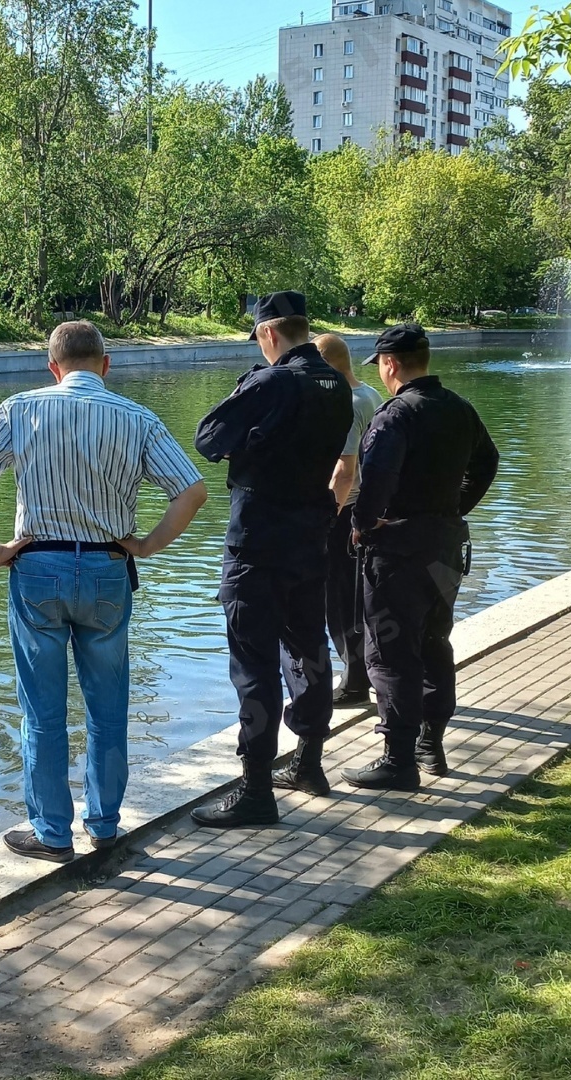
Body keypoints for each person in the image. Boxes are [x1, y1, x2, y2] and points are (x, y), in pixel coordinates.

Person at [0, 320, 207, 862]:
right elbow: (192, 490)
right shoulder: (138, 418)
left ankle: (51, 833)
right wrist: (148, 545)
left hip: (37, 568)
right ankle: (105, 824)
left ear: (53, 366)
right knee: (108, 706)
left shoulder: (20, 410)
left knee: (42, 711)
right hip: (107, 568)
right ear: (106, 364)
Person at [191, 291, 352, 827]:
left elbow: (208, 438)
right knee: (309, 649)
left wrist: (252, 435)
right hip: (311, 540)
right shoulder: (336, 385)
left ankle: (257, 789)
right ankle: (309, 763)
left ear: (267, 334)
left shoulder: (269, 382)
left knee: (254, 666)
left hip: (257, 545)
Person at [344, 324, 498, 790]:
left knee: (390, 652)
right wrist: (452, 509)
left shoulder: (394, 417)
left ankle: (398, 758)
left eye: (382, 367)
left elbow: (375, 485)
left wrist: (362, 525)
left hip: (398, 551)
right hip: (446, 545)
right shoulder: (459, 408)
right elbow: (487, 462)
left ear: (389, 364)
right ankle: (430, 744)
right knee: (435, 642)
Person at [314, 333, 384, 707]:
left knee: (339, 599)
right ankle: (361, 672)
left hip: (344, 512)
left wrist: (329, 514)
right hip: (368, 510)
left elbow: (345, 468)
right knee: (359, 597)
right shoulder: (371, 394)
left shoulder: (347, 403)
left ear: (325, 364)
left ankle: (353, 678)